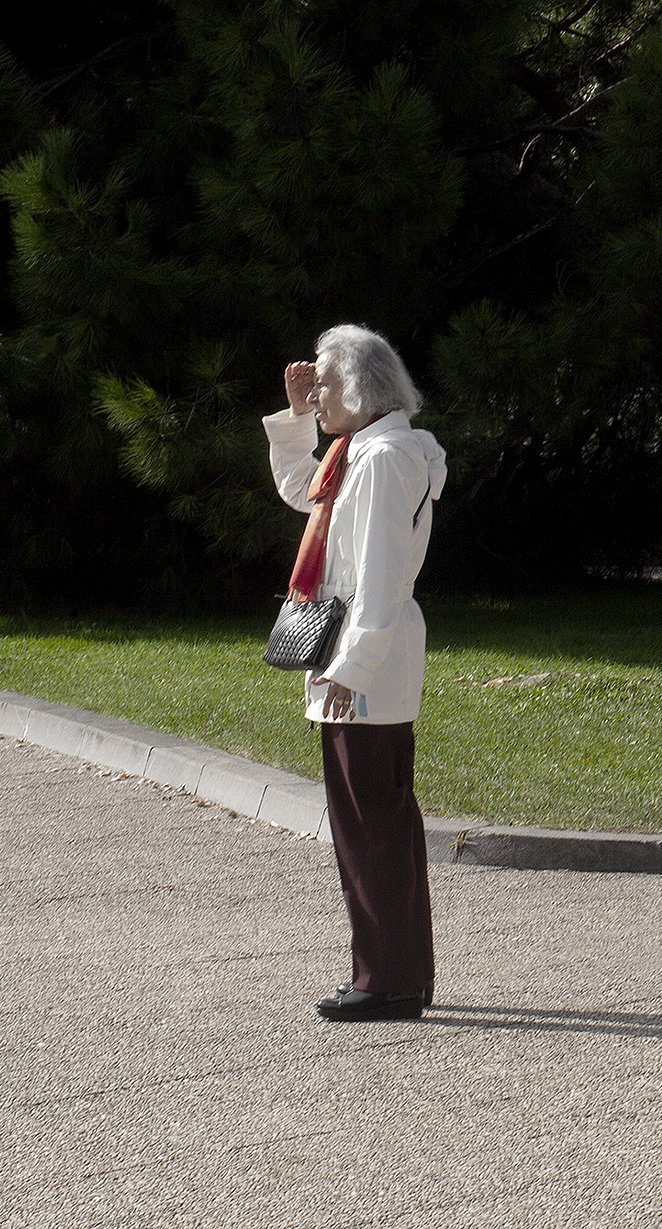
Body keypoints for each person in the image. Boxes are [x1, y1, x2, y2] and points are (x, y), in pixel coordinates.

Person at [265, 325, 447, 1022]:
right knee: (375, 819)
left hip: (365, 663)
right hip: (363, 660)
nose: (317, 396)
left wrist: (352, 667)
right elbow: (301, 494)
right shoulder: (365, 453)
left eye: (326, 385)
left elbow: (380, 580)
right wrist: (295, 420)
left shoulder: (381, 461)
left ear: (364, 387)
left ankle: (387, 980)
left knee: (371, 822)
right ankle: (392, 973)